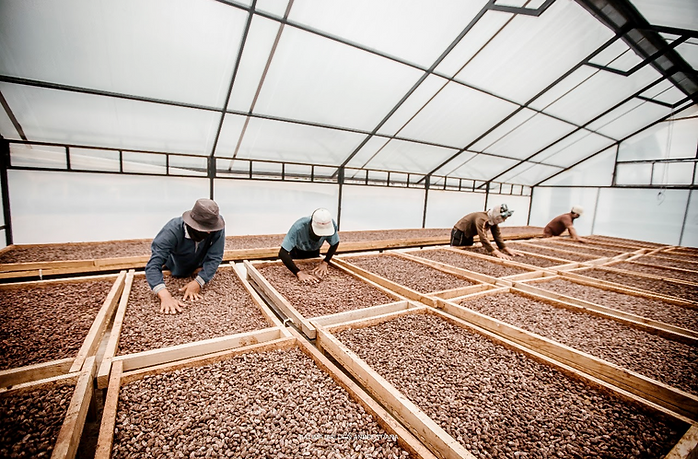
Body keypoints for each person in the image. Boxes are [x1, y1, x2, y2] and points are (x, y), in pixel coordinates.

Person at [145, 198, 226, 314]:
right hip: (175, 265)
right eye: (205, 230)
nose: (209, 233)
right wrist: (164, 295)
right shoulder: (171, 232)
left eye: (211, 229)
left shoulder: (215, 225)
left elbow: (216, 255)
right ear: (192, 224)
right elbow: (153, 265)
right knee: (177, 271)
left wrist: (199, 281)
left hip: (199, 265)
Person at [278, 208, 340, 284]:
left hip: (315, 251)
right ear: (311, 225)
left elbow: (335, 243)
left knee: (314, 262)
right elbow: (282, 253)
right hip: (297, 251)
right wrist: (299, 273)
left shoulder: (330, 224)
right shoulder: (298, 227)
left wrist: (325, 262)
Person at [450, 203, 520, 260]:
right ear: (497, 216)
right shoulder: (482, 219)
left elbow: (497, 235)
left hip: (469, 235)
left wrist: (505, 248)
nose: (504, 220)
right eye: (503, 218)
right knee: (456, 252)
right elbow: (483, 237)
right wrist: (496, 252)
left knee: (466, 252)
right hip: (459, 232)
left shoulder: (492, 221)